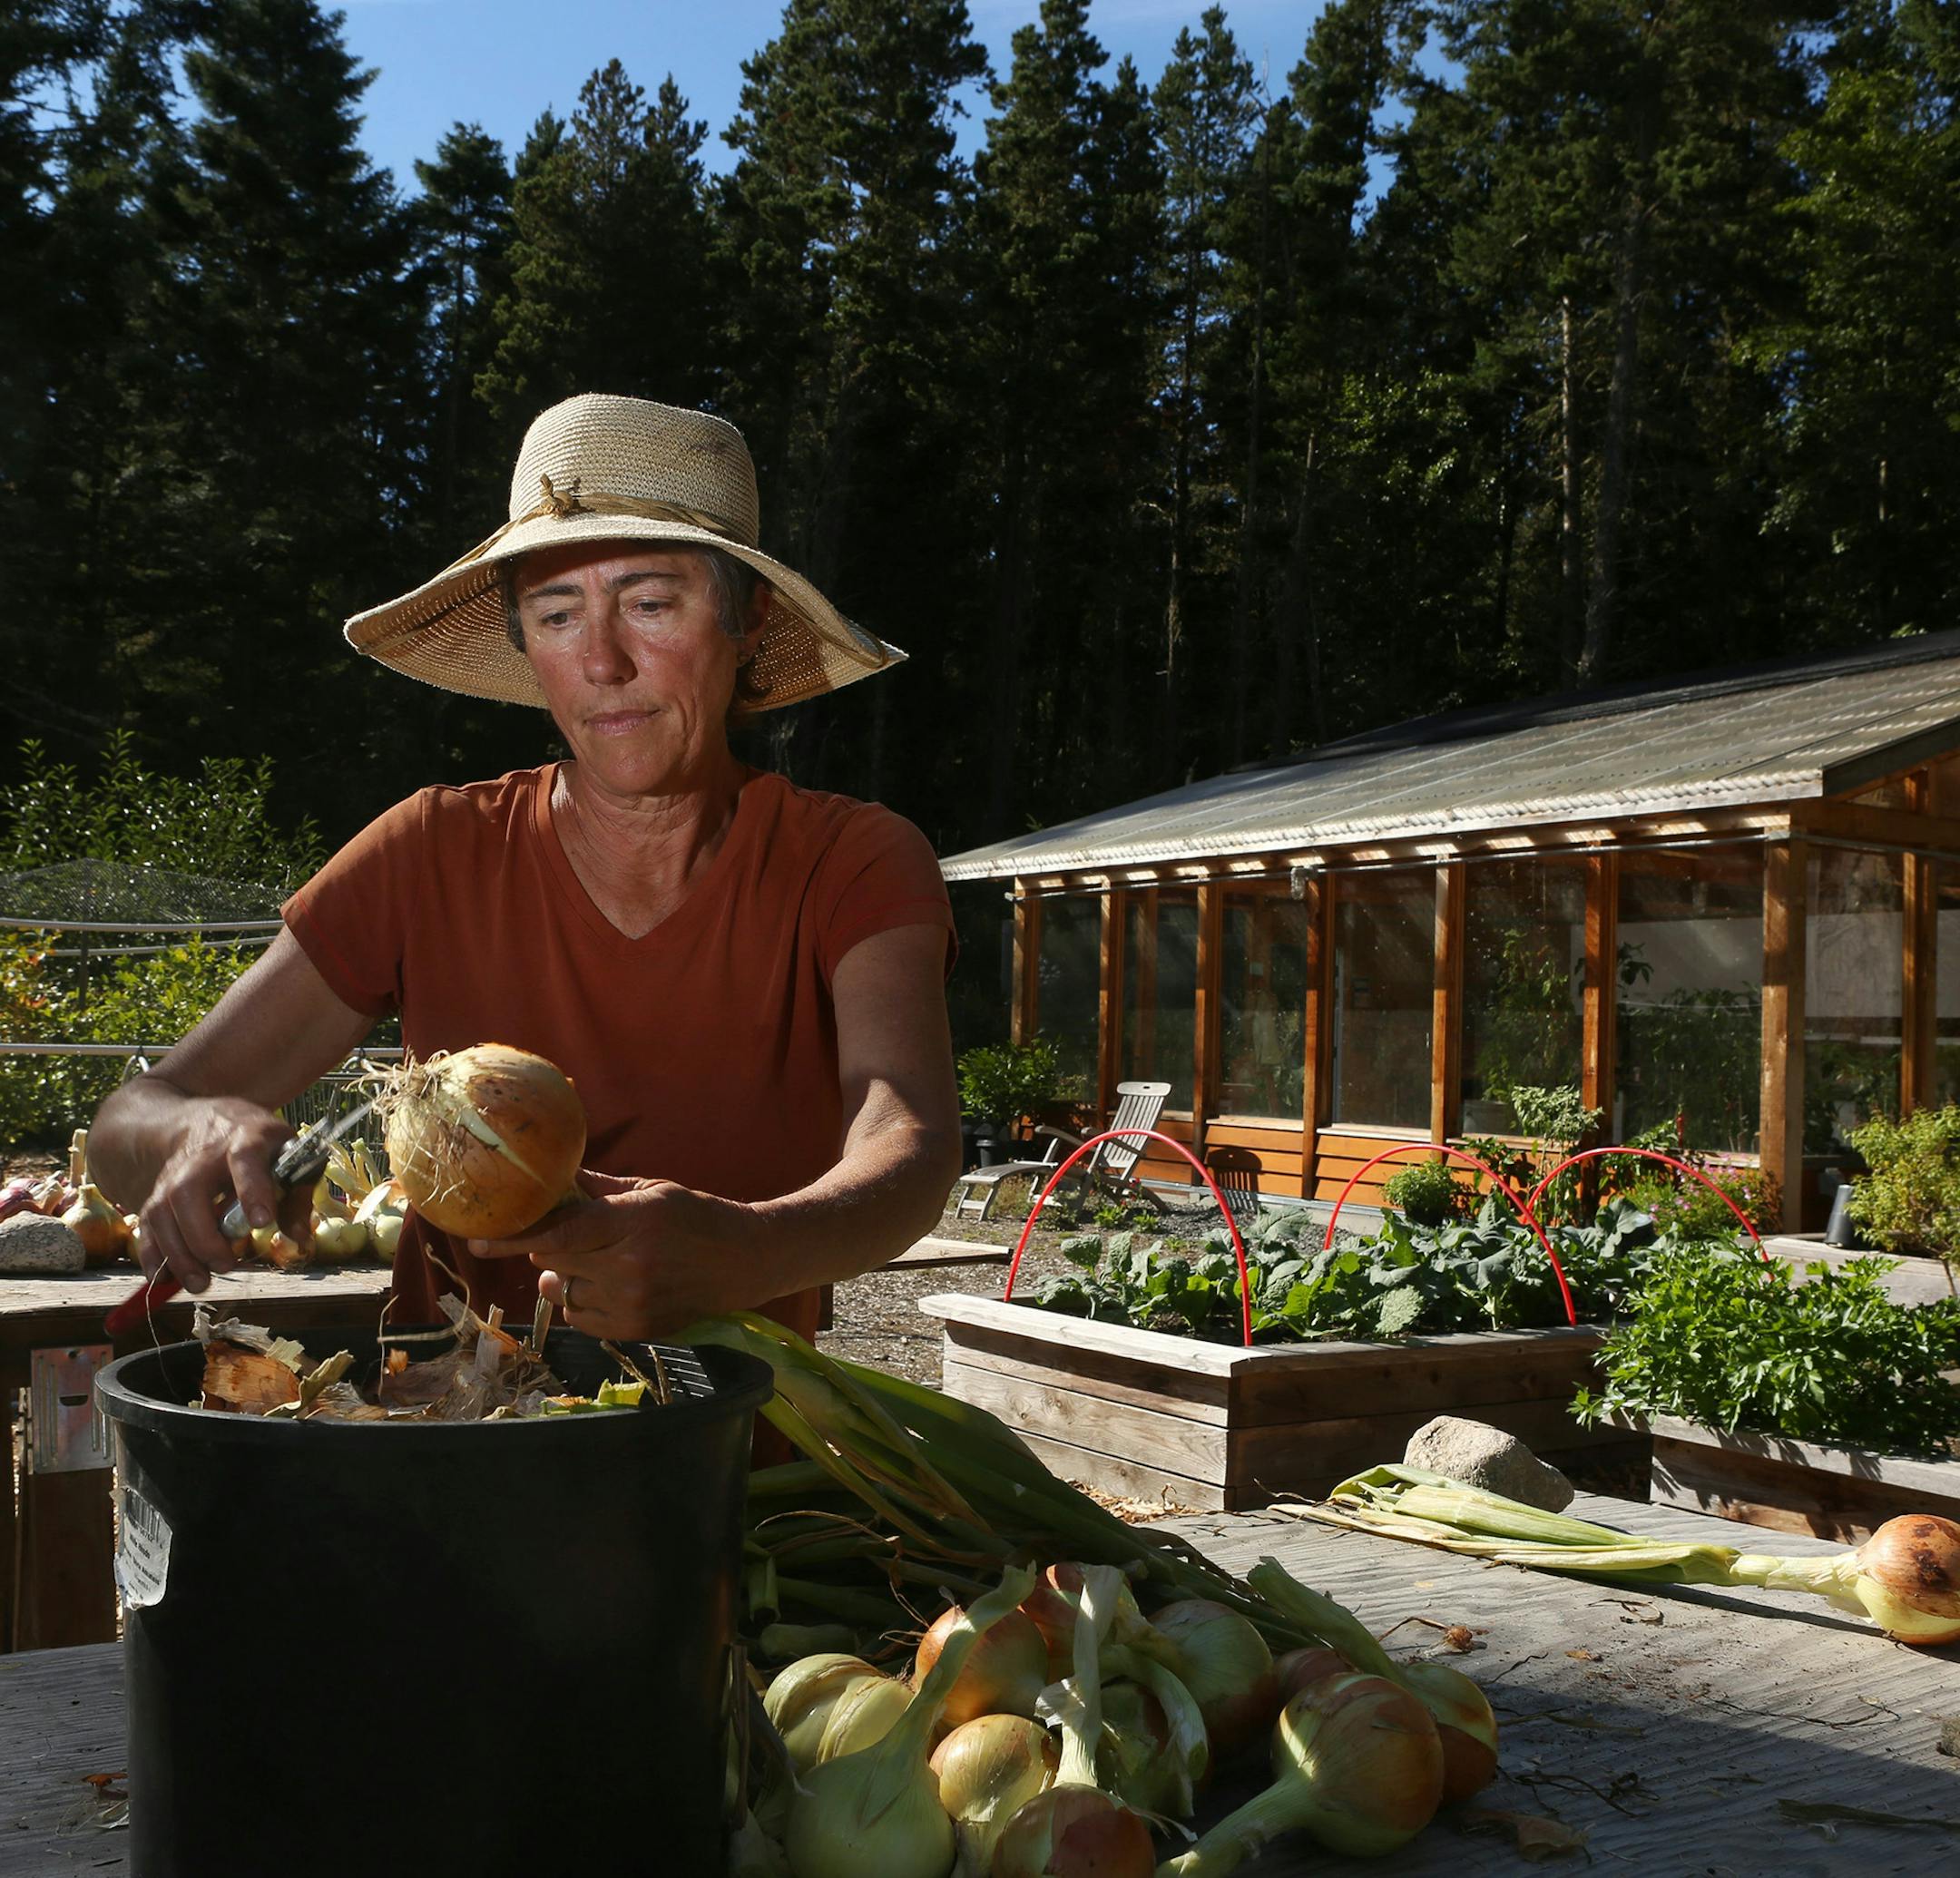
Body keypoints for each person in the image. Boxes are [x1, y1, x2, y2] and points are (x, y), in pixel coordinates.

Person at [91, 394, 961, 1348]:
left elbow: (908, 1138)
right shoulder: (431, 853)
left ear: (745, 616)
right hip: (463, 1441)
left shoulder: (852, 862)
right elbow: (130, 1121)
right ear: (522, 640)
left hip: (752, 1469)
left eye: (651, 602)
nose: (601, 660)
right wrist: (192, 1133)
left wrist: (751, 1249)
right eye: (556, 613)